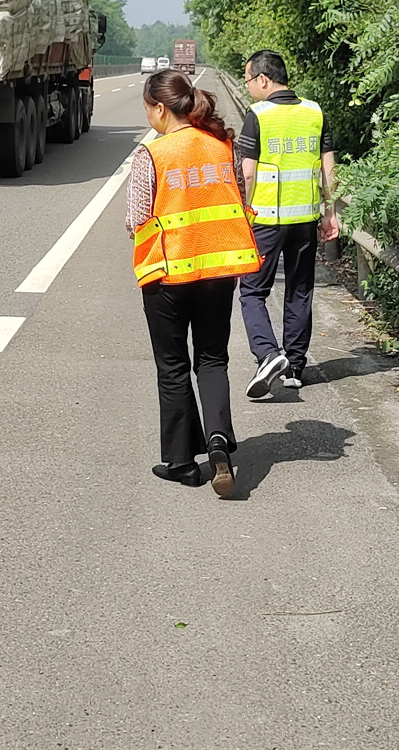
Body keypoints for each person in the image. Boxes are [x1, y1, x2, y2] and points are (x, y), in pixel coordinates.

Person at [125, 70, 261, 498]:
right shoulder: (223, 145)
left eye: (147, 108)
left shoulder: (153, 155)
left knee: (173, 366)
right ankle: (218, 443)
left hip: (167, 274)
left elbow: (135, 220)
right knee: (212, 359)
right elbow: (239, 198)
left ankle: (183, 462)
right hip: (219, 271)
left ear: (160, 108)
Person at [235, 49, 338, 399]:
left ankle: (268, 355)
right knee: (299, 290)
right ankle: (294, 366)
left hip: (265, 218)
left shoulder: (258, 115)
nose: (248, 87)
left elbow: (247, 172)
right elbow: (328, 165)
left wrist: (244, 212)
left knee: (251, 291)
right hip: (306, 218)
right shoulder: (314, 112)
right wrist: (331, 211)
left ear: (263, 79)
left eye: (248, 80)